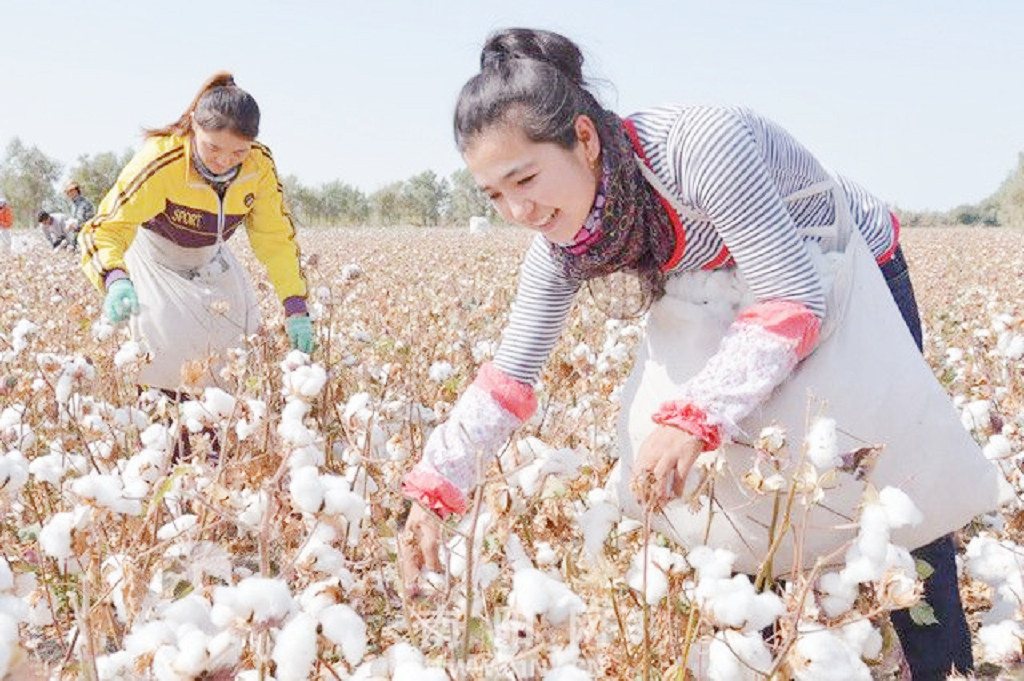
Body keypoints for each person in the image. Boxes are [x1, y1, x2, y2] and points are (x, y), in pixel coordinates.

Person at [399, 28, 1002, 679]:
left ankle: (941, 666)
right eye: (492, 194)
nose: (516, 208)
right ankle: (771, 660)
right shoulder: (561, 247)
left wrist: (695, 415)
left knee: (896, 492)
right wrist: (436, 488)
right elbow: (508, 379)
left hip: (847, 268)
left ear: (585, 138)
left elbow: (794, 295)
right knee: (738, 500)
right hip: (738, 291)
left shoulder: (698, 148)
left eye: (524, 177)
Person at [78, 72, 315, 395]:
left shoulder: (259, 167)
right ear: (193, 125)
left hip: (210, 254)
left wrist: (295, 304)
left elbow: (275, 240)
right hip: (155, 258)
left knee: (235, 348)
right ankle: (167, 427)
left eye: (238, 153)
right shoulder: (162, 160)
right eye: (213, 147)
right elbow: (105, 227)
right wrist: (115, 278)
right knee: (162, 352)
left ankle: (220, 434)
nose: (223, 161)